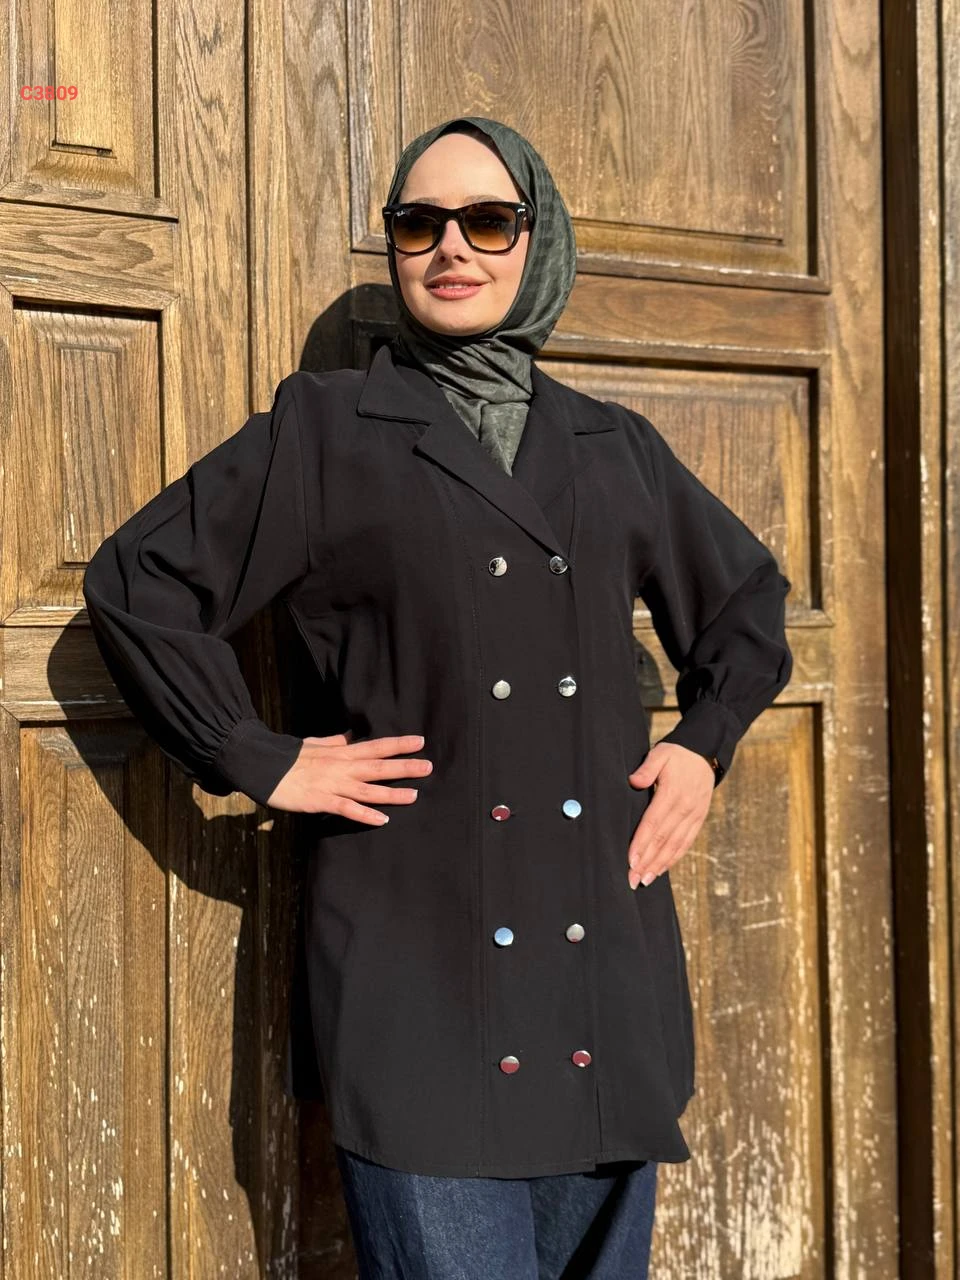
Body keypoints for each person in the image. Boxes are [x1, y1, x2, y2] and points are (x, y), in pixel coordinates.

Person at [82, 116, 793, 1277]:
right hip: (419, 981)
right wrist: (258, 753)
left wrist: (704, 744)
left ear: (537, 240)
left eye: (488, 220)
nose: (451, 246)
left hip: (599, 985)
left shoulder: (612, 445)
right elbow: (138, 582)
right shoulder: (326, 429)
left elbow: (748, 607)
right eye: (419, 223)